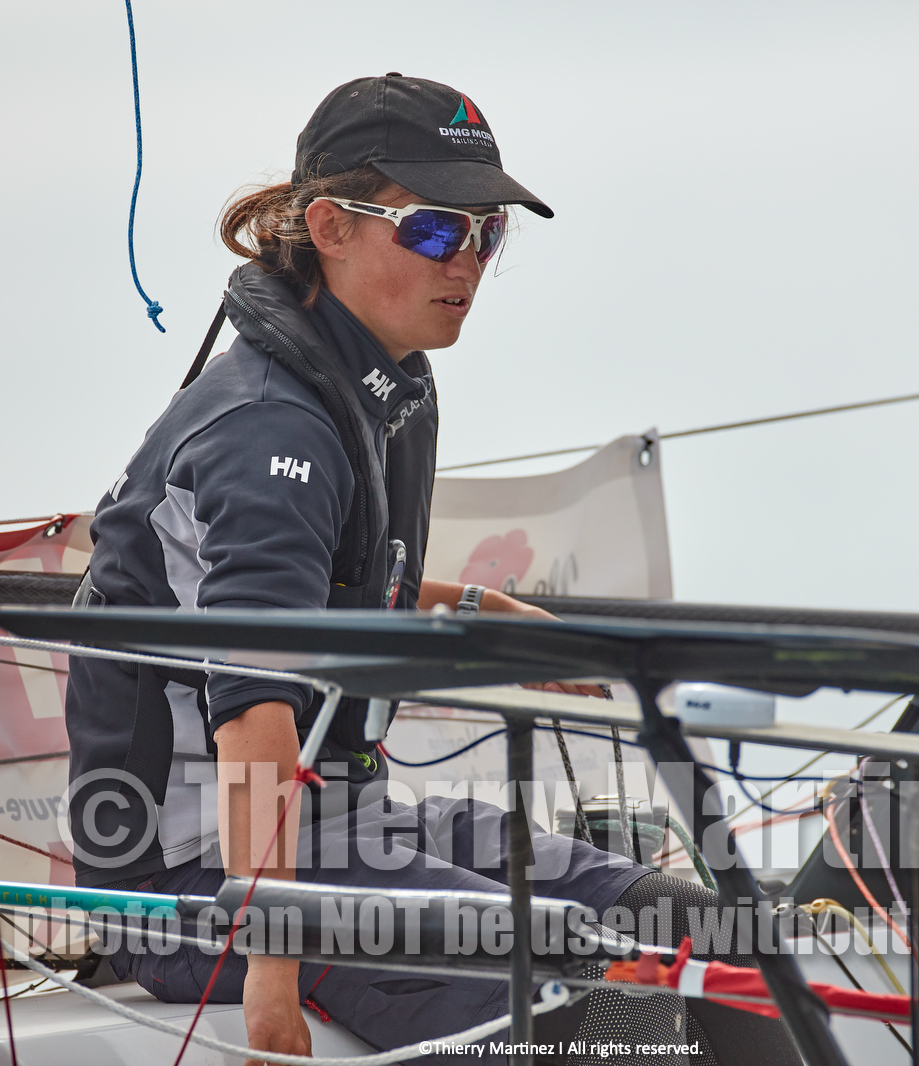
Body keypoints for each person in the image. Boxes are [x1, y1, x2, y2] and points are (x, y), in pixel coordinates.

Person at [65, 74, 800, 1066]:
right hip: (199, 883)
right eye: (432, 232)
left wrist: (485, 613)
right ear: (327, 226)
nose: (466, 261)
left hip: (352, 824)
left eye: (486, 235)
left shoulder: (373, 383)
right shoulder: (267, 427)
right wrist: (272, 994)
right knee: (579, 977)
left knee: (709, 930)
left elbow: (324, 591)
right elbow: (255, 719)